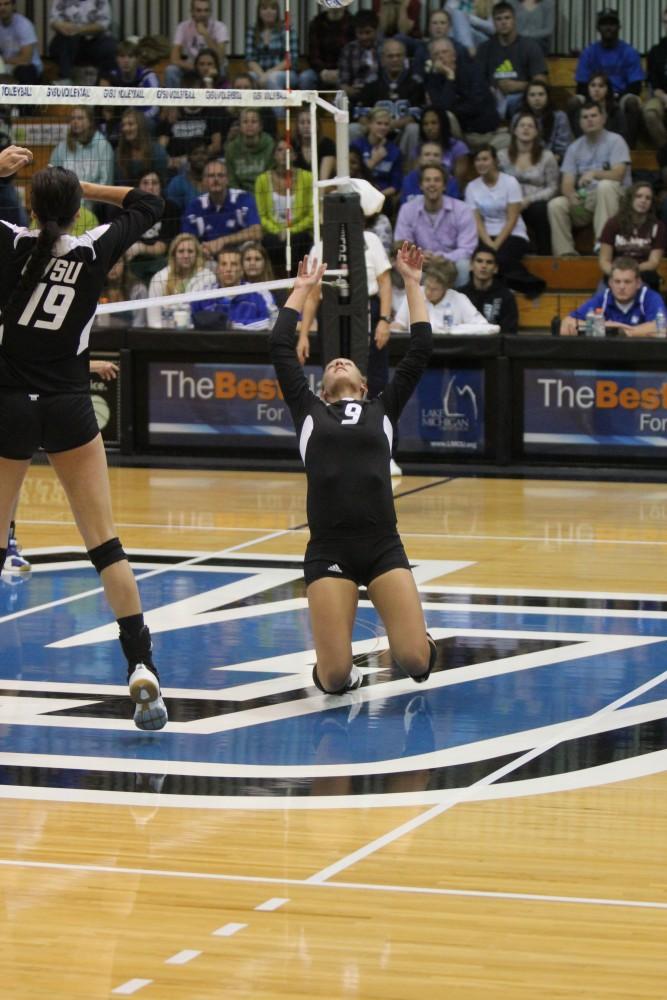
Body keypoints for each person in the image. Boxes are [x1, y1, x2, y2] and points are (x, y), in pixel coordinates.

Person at [0, 148, 167, 729]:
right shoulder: (95, 250)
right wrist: (86, 187)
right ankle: (141, 664)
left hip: (11, 405)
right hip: (70, 406)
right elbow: (151, 203)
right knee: (104, 544)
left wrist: (1, 168)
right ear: (74, 211)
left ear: (29, 204)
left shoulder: (13, 243)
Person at [269, 245, 437, 696]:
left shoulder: (381, 407)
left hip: (382, 545)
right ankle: (335, 669)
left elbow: (420, 348)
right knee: (335, 677)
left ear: (364, 385)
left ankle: (419, 639)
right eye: (331, 364)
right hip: (329, 550)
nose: (339, 361)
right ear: (322, 389)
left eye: (348, 363)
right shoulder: (308, 411)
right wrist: (302, 290)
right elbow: (279, 345)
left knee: (416, 662)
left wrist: (413, 283)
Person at [548, 101, 631, 258]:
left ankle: (603, 243)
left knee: (605, 186)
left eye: (594, 115)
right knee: (556, 204)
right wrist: (571, 195)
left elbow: (619, 174)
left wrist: (594, 173)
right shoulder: (574, 148)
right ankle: (565, 253)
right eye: (585, 117)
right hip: (587, 200)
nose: (589, 120)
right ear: (580, 122)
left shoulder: (616, 141)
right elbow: (567, 182)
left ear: (603, 118)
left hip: (616, 200)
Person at [465, 144, 544, 294]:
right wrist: (489, 245)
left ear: (494, 161)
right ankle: (518, 284)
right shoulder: (471, 187)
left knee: (500, 259)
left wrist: (495, 246)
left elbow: (512, 218)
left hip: (512, 233)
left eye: (485, 159)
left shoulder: (510, 182)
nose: (481, 163)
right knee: (481, 262)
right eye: (477, 160)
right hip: (484, 235)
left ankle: (516, 286)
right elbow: (477, 221)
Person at [394, 163, 477, 287]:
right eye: (427, 180)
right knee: (399, 263)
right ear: (421, 186)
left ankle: (459, 302)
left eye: (437, 180)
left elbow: (467, 249)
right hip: (420, 262)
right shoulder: (407, 209)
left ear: (444, 186)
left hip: (450, 262)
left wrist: (442, 257)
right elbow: (402, 244)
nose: (432, 184)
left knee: (464, 265)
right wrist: (419, 257)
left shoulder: (462, 209)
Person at [573, 8, 643, 148]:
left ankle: (628, 148)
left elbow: (636, 85)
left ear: (619, 27)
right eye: (604, 24)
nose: (608, 27)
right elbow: (581, 85)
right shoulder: (589, 52)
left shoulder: (629, 51)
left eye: (612, 23)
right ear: (598, 28)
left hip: (620, 96)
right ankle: (580, 145)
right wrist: (596, 96)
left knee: (632, 103)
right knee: (573, 102)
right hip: (592, 95)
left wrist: (612, 97)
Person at [353, 37, 424, 168]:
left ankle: (408, 171)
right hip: (373, 134)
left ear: (405, 58)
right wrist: (375, 128)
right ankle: (355, 170)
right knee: (352, 128)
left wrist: (390, 125)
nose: (395, 60)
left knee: (413, 129)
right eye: (390, 56)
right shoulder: (372, 82)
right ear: (383, 59)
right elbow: (361, 114)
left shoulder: (415, 82)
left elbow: (415, 116)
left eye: (398, 56)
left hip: (400, 134)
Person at [422, 37, 502, 147]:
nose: (441, 57)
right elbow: (441, 111)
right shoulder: (432, 79)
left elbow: (476, 105)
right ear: (432, 59)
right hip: (458, 132)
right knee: (445, 116)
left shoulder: (473, 71)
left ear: (454, 55)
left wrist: (453, 109)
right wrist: (450, 76)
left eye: (445, 52)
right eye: (436, 54)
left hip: (482, 129)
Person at [497, 112, 559, 254]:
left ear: (536, 132)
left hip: (535, 202)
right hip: (508, 202)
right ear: (514, 130)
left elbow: (553, 187)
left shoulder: (547, 156)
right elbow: (497, 182)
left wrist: (528, 200)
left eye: (530, 126)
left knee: (540, 210)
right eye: (522, 125)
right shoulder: (502, 156)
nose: (526, 129)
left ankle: (545, 255)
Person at [560, 257, 665, 338]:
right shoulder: (602, 298)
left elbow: (662, 328)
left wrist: (621, 331)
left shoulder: (650, 297)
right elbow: (567, 322)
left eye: (627, 282)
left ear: (638, 283)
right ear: (610, 283)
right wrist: (606, 326)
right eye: (617, 281)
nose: (622, 287)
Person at [476, 0, 547, 120]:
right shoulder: (484, 48)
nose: (503, 22)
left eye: (507, 18)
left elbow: (542, 83)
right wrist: (492, 89)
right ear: (493, 23)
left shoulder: (530, 46)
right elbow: (477, 81)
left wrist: (519, 86)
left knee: (518, 100)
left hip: (521, 99)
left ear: (514, 20)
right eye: (499, 19)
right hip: (492, 99)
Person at [182, 157, 262, 261]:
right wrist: (201, 250)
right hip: (208, 259)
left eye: (220, 175)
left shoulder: (243, 198)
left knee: (252, 247)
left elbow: (257, 232)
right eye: (211, 176)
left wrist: (222, 241)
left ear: (227, 179)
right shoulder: (195, 206)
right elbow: (186, 240)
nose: (216, 179)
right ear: (204, 181)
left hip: (240, 258)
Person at [254, 140, 313, 274]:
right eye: (279, 150)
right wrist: (278, 230)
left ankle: (297, 279)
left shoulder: (308, 178)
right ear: (274, 155)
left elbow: (312, 215)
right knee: (271, 243)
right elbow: (261, 216)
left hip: (300, 232)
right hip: (272, 232)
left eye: (288, 150)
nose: (284, 154)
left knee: (298, 241)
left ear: (295, 156)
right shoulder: (262, 180)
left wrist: (290, 231)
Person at [392, 258, 494, 332]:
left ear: (447, 287)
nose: (428, 292)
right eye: (427, 286)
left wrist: (457, 329)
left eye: (435, 289)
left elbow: (484, 326)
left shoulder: (459, 299)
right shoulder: (414, 294)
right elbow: (399, 324)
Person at [598, 183, 666, 291]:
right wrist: (618, 274)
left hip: (643, 276)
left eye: (648, 198)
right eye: (638, 196)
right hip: (615, 275)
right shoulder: (613, 224)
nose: (643, 200)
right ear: (630, 199)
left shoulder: (659, 227)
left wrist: (630, 272)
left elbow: (653, 262)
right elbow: (604, 260)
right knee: (598, 302)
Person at [191, 247, 275, 331]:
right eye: (224, 264)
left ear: (242, 270)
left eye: (234, 264)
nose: (228, 269)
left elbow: (270, 322)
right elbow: (189, 321)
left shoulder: (259, 293)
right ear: (217, 269)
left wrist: (232, 325)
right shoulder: (205, 295)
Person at [49, 106, 115, 210]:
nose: (75, 121)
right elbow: (52, 178)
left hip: (96, 207)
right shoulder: (61, 148)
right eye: (73, 118)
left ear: (90, 122)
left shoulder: (103, 146)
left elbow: (106, 184)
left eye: (80, 118)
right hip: (66, 206)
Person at [146, 232, 216, 329]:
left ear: (197, 254)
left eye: (190, 251)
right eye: (181, 251)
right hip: (165, 335)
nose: (186, 255)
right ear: (174, 254)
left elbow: (208, 316)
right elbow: (153, 320)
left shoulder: (208, 277)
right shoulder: (159, 278)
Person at [124, 170, 181, 284]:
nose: (150, 187)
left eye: (154, 183)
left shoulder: (170, 208)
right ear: (138, 187)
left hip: (160, 261)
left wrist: (138, 248)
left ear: (161, 187)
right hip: (133, 263)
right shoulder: (128, 209)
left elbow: (162, 247)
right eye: (145, 183)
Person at [48, 0, 117, 84]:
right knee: (61, 43)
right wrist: (62, 27)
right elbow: (53, 21)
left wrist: (79, 29)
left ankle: (104, 82)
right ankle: (65, 79)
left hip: (94, 39)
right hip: (68, 39)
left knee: (110, 46)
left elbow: (103, 24)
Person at [164, 0, 229, 89]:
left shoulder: (220, 27)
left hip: (213, 66)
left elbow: (220, 58)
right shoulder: (183, 27)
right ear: (192, 12)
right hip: (192, 65)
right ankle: (175, 101)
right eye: (199, 10)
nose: (203, 14)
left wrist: (206, 35)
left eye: (206, 10)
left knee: (221, 70)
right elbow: (174, 59)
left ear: (210, 12)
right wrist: (197, 67)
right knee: (171, 70)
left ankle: (217, 101)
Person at [350, 107, 403, 208]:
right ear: (370, 124)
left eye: (386, 124)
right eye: (379, 123)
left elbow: (395, 186)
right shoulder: (357, 146)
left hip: (382, 196)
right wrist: (374, 161)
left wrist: (377, 196)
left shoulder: (394, 151)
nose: (383, 127)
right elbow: (353, 177)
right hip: (358, 193)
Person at [461, 245, 519, 332]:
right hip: (466, 344)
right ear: (471, 266)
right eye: (479, 261)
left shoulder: (506, 297)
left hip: (495, 344)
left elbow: (510, 332)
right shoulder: (460, 295)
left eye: (489, 262)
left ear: (496, 268)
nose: (484, 266)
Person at [245, 0, 298, 91]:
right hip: (260, 73)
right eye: (264, 8)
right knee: (247, 79)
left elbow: (290, 59)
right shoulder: (252, 30)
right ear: (259, 12)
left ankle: (278, 105)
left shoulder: (287, 29)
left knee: (273, 78)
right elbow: (250, 59)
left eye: (273, 8)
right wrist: (262, 75)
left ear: (277, 12)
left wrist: (268, 74)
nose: (269, 11)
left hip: (285, 73)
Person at [300, 3, 355, 90]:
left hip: (345, 71)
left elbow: (354, 55)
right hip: (321, 71)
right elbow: (313, 55)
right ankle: (310, 104)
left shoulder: (353, 23)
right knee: (305, 78)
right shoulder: (317, 23)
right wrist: (322, 71)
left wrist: (341, 72)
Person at [514, 81, 573, 161]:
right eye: (532, 95)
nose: (537, 98)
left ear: (548, 97)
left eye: (541, 94)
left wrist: (544, 164)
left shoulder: (560, 117)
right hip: (524, 161)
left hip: (553, 161)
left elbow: (562, 150)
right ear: (526, 98)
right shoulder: (518, 117)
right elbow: (515, 146)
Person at [223, 108, 275, 194]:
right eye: (245, 122)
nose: (249, 125)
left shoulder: (270, 145)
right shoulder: (232, 148)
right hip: (239, 196)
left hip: (265, 193)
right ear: (240, 126)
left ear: (260, 126)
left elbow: (271, 177)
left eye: (254, 122)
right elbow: (231, 180)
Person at [113, 109, 169, 188]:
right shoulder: (118, 153)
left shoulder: (158, 152)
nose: (125, 128)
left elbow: (162, 185)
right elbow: (118, 185)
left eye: (130, 124)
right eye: (123, 125)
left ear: (141, 127)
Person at [400, 140, 464, 203]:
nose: (431, 158)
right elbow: (406, 205)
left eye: (436, 155)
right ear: (419, 159)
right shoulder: (409, 179)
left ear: (442, 159)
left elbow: (454, 208)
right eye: (427, 154)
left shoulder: (451, 181)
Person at [338, 9, 382, 101]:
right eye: (360, 33)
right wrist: (348, 90)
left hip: (381, 95)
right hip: (356, 95)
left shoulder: (385, 48)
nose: (364, 37)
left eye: (368, 32)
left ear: (376, 30)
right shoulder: (349, 49)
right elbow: (343, 82)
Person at [0, 0, 42, 84]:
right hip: (6, 65)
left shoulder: (24, 25)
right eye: (0, 4)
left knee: (25, 72)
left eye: (6, 4)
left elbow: (26, 59)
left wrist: (3, 61)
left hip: (27, 66)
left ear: (13, 6)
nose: (2, 8)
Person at [643, 9, 667, 149]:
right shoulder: (656, 51)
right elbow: (654, 84)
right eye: (666, 22)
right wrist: (665, 97)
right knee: (650, 112)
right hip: (662, 97)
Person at [291, 108, 336, 183]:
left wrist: (319, 195)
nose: (306, 126)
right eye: (302, 123)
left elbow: (323, 181)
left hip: (322, 188)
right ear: (297, 126)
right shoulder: (292, 145)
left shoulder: (327, 144)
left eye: (310, 122)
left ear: (317, 125)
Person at [240, 240, 278, 323]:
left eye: (257, 259)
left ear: (265, 263)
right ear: (241, 263)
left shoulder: (277, 291)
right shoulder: (235, 290)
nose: (252, 263)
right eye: (248, 259)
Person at [165, 141, 208, 215]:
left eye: (203, 153)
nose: (200, 157)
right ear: (188, 158)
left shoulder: (215, 181)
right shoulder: (177, 183)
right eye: (195, 153)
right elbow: (172, 214)